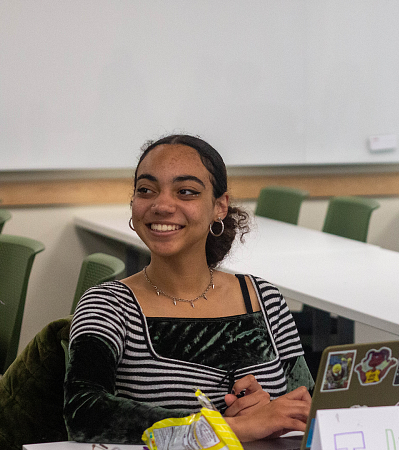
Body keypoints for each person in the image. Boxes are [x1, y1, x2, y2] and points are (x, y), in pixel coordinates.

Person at [64, 135, 314, 443]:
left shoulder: (265, 300)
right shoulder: (108, 305)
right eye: (146, 190)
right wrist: (228, 428)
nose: (161, 205)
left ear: (219, 207)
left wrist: (271, 411)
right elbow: (83, 412)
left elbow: (310, 406)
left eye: (186, 192)